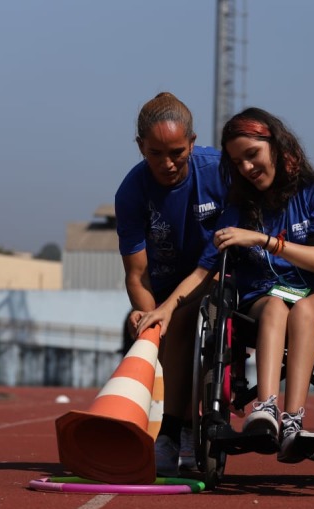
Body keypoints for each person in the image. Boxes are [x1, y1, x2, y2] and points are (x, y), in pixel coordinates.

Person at [137, 107, 314, 463]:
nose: (245, 167)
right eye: (236, 162)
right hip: (265, 293)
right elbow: (203, 270)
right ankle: (266, 410)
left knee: (302, 310)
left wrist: (261, 240)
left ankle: (293, 421)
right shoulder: (239, 206)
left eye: (252, 155)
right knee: (274, 305)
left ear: (277, 145)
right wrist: (165, 309)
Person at [114, 93, 228, 476]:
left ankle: (181, 431)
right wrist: (149, 315)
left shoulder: (219, 171)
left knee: (183, 319)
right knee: (159, 329)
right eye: (155, 154)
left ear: (192, 143)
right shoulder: (131, 192)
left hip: (217, 278)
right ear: (140, 148)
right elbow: (137, 274)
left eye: (177, 152)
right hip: (163, 290)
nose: (167, 164)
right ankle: (168, 433)